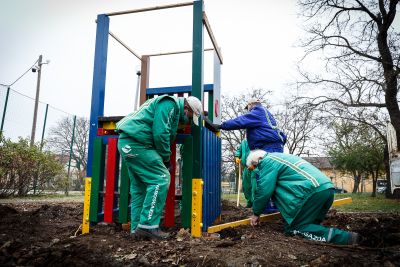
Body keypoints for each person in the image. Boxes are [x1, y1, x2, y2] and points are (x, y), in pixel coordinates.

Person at [116, 94, 202, 240]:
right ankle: (148, 226)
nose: (187, 121)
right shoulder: (170, 104)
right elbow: (161, 133)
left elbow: (165, 130)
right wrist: (166, 158)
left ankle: (137, 230)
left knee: (139, 188)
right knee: (160, 178)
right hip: (137, 144)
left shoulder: (169, 107)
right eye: (190, 116)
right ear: (186, 108)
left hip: (128, 142)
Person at [246, 150, 360, 245]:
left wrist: (256, 213)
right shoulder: (280, 157)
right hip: (326, 189)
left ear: (257, 161)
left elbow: (264, 190)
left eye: (252, 168)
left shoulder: (267, 162)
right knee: (311, 226)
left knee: (294, 229)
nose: (254, 171)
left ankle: (346, 238)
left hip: (312, 193)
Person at [209, 98, 286, 152]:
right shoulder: (265, 113)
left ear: (251, 104)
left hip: (269, 147)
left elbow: (241, 121)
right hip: (271, 146)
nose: (248, 110)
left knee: (266, 173)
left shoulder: (258, 111)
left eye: (247, 108)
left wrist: (222, 125)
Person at [235, 139, 257, 208]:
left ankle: (255, 204)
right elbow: (239, 150)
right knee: (246, 186)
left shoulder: (257, 140)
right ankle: (249, 202)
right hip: (246, 168)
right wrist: (237, 156)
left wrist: (254, 164)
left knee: (254, 186)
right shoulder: (243, 142)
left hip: (255, 167)